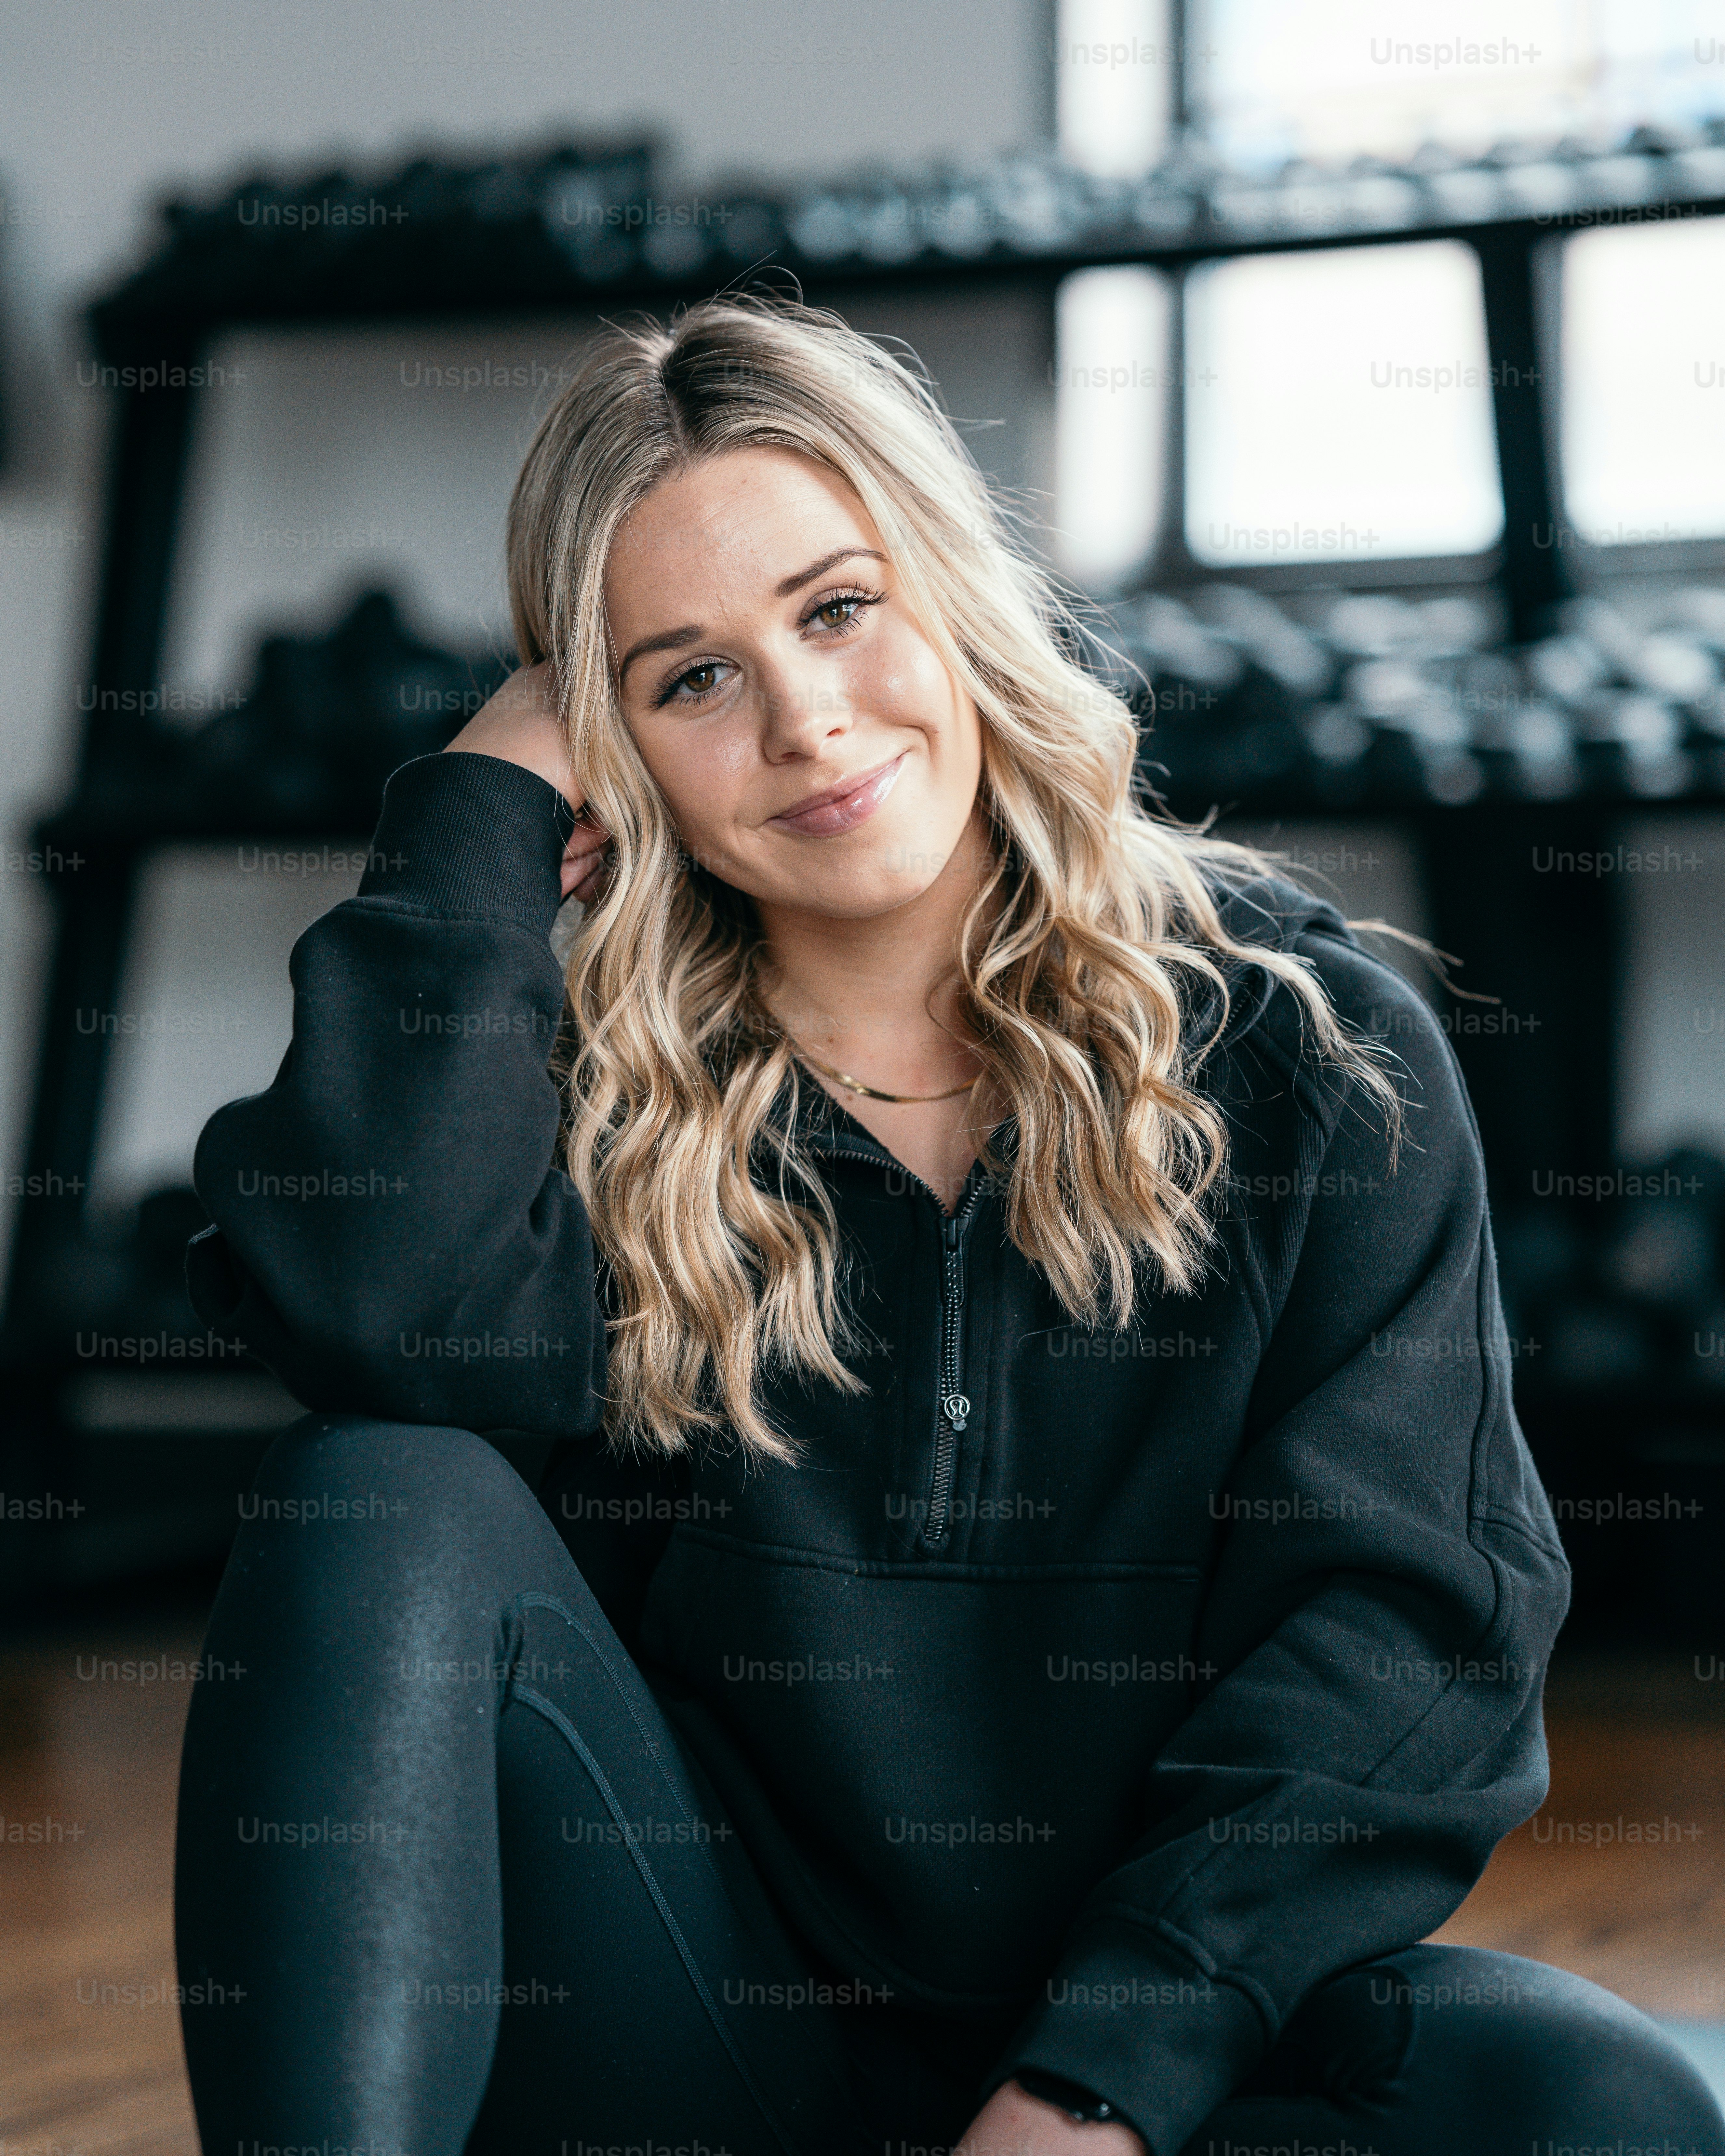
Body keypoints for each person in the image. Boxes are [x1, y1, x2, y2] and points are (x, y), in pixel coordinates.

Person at [173, 296, 1724, 2156]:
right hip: (705, 2044)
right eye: (689, 678)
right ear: (617, 749)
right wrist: (474, 818)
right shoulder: (578, 1093)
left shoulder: (1305, 1047)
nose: (806, 718)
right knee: (376, 1489)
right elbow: (372, 1312)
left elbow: (1410, 1631)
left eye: (837, 608)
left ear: (952, 589)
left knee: (1604, 2102)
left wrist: (1091, 2087)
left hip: (1138, 2054)